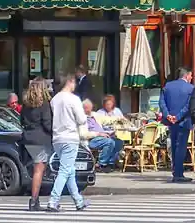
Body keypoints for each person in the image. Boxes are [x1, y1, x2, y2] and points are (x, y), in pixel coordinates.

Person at [47, 74, 90, 212]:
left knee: (70, 170)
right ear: (70, 82)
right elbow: (81, 119)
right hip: (70, 137)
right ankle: (53, 200)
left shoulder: (54, 99)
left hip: (57, 138)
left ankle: (78, 201)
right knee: (65, 170)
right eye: (74, 83)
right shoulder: (73, 99)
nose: (75, 85)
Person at [20, 78, 53, 211]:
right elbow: (47, 123)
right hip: (41, 139)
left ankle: (35, 199)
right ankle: (34, 200)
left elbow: (21, 119)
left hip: (28, 139)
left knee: (36, 170)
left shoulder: (26, 104)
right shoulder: (44, 104)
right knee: (39, 170)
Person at [159, 68, 195, 183]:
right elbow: (189, 106)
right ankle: (178, 173)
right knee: (181, 147)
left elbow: (162, 102)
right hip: (183, 121)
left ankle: (176, 171)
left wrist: (168, 115)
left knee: (174, 146)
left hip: (171, 121)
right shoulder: (191, 88)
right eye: (191, 76)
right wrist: (178, 117)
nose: (191, 78)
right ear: (187, 75)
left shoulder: (168, 86)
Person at [83, 99, 123, 172]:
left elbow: (107, 119)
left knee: (118, 142)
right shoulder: (81, 118)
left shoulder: (94, 115)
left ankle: (110, 162)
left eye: (89, 107)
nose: (88, 109)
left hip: (102, 137)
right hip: (91, 139)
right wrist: (98, 134)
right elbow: (83, 134)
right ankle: (101, 164)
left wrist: (119, 118)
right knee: (109, 142)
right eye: (86, 107)